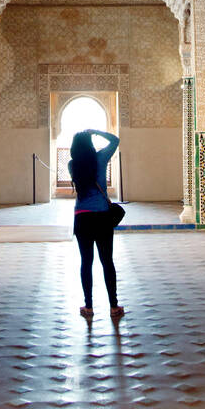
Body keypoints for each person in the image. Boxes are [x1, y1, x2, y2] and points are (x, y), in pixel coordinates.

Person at [68, 129, 124, 320]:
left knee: (86, 263)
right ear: (90, 145)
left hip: (82, 217)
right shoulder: (100, 159)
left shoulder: (72, 165)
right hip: (102, 216)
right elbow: (115, 140)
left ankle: (89, 306)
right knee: (107, 261)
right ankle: (114, 306)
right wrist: (97, 132)